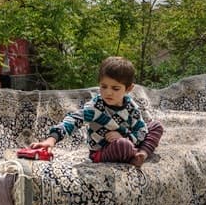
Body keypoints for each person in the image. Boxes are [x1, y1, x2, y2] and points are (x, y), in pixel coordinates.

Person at [31, 56, 163, 167]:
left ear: (128, 88)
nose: (108, 92)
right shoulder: (95, 107)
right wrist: (51, 140)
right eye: (104, 86)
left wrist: (125, 136)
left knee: (156, 126)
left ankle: (142, 154)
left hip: (128, 141)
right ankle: (132, 152)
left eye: (115, 88)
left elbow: (141, 130)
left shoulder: (130, 106)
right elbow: (73, 120)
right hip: (103, 151)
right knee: (124, 145)